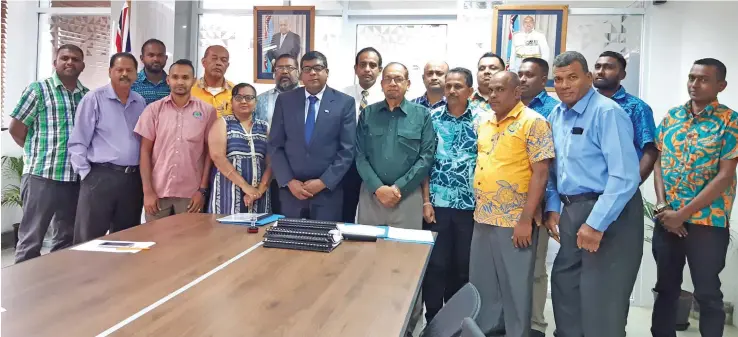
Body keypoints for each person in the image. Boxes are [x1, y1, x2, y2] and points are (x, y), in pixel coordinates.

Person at [544, 51, 643, 337]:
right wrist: (553, 207)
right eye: (559, 79)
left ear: (588, 77)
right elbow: (555, 169)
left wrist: (596, 223)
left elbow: (625, 176)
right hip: (571, 210)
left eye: (572, 77)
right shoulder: (557, 114)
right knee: (566, 287)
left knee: (602, 299)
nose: (564, 85)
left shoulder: (607, 112)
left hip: (609, 213)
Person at [651, 58, 736, 337]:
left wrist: (683, 214)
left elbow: (724, 176)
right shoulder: (672, 116)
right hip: (667, 220)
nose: (694, 84)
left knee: (707, 292)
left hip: (707, 223)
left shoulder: (730, 121)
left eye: (703, 79)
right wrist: (663, 206)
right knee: (666, 288)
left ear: (720, 85)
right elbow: (659, 162)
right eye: (691, 77)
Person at [355, 62, 436, 337]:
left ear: (408, 83)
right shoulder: (367, 114)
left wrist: (398, 189)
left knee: (408, 265)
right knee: (367, 261)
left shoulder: (421, 115)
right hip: (371, 198)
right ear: (381, 83)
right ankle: (368, 321)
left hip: (407, 200)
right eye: (388, 78)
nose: (393, 83)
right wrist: (378, 188)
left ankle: (408, 328)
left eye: (398, 79)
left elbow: (426, 157)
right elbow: (359, 156)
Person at [471, 71, 554, 337]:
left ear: (517, 92)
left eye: (500, 90)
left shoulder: (534, 122)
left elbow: (541, 174)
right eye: (490, 90)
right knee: (483, 286)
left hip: (515, 221)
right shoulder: (484, 121)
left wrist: (525, 220)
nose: (493, 95)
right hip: (483, 215)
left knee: (515, 287)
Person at [8, 44, 88, 263]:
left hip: (73, 179)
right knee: (31, 239)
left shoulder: (87, 96)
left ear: (82, 65)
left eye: (75, 59)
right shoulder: (38, 90)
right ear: (55, 62)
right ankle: (25, 290)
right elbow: (16, 128)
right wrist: (37, 153)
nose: (69, 62)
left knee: (66, 239)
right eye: (64, 58)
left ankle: (56, 288)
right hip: (41, 177)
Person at [268, 51, 356, 221]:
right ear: (301, 74)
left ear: (327, 72)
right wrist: (289, 181)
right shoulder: (285, 101)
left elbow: (347, 150)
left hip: (327, 193)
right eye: (307, 69)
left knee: (324, 243)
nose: (312, 73)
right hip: (291, 192)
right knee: (289, 244)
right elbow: (275, 145)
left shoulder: (344, 103)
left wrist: (323, 182)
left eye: (318, 68)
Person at [420, 67, 478, 323]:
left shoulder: (484, 119)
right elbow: (425, 163)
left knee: (462, 267)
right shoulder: (431, 118)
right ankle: (433, 320)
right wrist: (425, 200)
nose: (452, 91)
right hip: (438, 205)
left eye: (458, 86)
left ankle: (456, 323)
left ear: (470, 91)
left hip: (470, 207)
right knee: (436, 265)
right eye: (449, 86)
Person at [69, 52, 146, 243]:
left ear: (136, 74)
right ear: (110, 71)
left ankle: (121, 274)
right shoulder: (93, 99)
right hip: (100, 177)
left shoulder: (140, 102)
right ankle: (85, 274)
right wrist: (87, 175)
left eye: (129, 70)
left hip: (132, 180)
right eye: (119, 69)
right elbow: (78, 141)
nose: (124, 74)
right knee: (88, 239)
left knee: (126, 240)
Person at [135, 59, 217, 221]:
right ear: (168, 80)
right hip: (158, 193)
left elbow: (209, 153)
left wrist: (202, 190)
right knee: (155, 243)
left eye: (185, 78)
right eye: (175, 77)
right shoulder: (153, 110)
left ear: (193, 81)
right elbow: (144, 151)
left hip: (191, 195)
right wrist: (148, 191)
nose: (180, 82)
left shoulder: (207, 112)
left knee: (188, 244)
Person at [517, 56, 559, 337]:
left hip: (540, 203)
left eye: (529, 75)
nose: (522, 79)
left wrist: (548, 204)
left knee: (535, 267)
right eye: (519, 74)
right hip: (505, 205)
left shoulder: (554, 111)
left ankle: (535, 325)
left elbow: (553, 166)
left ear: (544, 79)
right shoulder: (509, 108)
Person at [594, 51, 658, 183]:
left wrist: (629, 187)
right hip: (586, 191)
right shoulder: (585, 104)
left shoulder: (636, 107)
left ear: (622, 75)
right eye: (597, 66)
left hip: (621, 189)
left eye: (608, 67)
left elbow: (650, 152)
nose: (600, 71)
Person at [208, 83, 272, 214]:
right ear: (231, 101)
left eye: (249, 98)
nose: (243, 101)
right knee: (226, 233)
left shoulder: (264, 127)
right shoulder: (223, 123)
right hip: (227, 194)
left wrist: (258, 191)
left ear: (256, 101)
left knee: (258, 232)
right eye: (238, 97)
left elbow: (271, 163)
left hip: (259, 195)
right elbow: (217, 157)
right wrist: (245, 187)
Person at [340, 47, 384, 223]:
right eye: (363, 64)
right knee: (345, 213)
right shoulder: (341, 95)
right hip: (345, 165)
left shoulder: (387, 98)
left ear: (379, 70)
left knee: (371, 214)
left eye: (372, 65)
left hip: (374, 166)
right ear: (356, 68)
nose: (367, 69)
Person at [255, 53, 300, 215]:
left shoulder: (308, 100)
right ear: (274, 72)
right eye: (280, 68)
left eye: (290, 67)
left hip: (298, 173)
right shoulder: (260, 101)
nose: (285, 71)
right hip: (267, 173)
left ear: (298, 72)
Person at [192, 45, 234, 118]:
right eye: (214, 59)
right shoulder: (190, 89)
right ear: (203, 62)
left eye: (223, 60)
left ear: (227, 65)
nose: (218, 63)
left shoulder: (235, 92)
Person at [132, 38, 170, 105]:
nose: (156, 59)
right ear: (142, 58)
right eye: (151, 55)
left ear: (166, 58)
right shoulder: (132, 82)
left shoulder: (172, 84)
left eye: (160, 55)